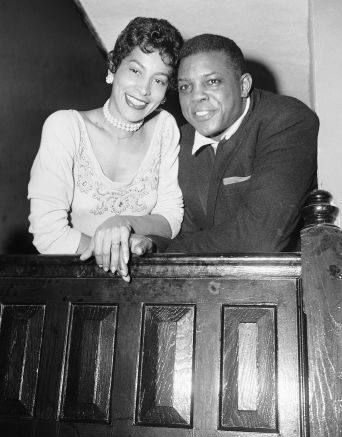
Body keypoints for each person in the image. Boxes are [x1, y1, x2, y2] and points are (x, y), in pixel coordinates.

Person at [130, 33, 319, 256]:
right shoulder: (179, 140)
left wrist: (163, 252)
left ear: (243, 85)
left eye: (212, 82)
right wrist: (151, 243)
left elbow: (260, 239)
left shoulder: (286, 119)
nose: (196, 96)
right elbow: (187, 231)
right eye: (185, 87)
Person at [28, 17, 184, 280]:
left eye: (158, 80)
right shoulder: (65, 127)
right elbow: (47, 234)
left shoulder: (165, 127)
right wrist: (120, 254)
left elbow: (171, 218)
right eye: (135, 71)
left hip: (143, 287)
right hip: (70, 284)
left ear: (165, 92)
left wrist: (125, 222)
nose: (144, 90)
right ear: (113, 67)